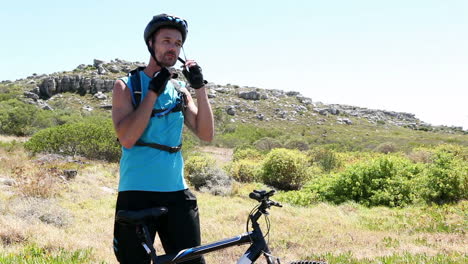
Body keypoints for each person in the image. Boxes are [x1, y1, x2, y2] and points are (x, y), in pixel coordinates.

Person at [111, 13, 213, 264]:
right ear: (151, 44)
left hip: (176, 192)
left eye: (177, 43)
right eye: (166, 40)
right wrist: (153, 92)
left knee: (190, 262)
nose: (172, 47)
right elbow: (127, 138)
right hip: (136, 192)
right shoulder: (126, 85)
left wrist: (199, 88)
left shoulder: (180, 90)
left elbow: (206, 135)